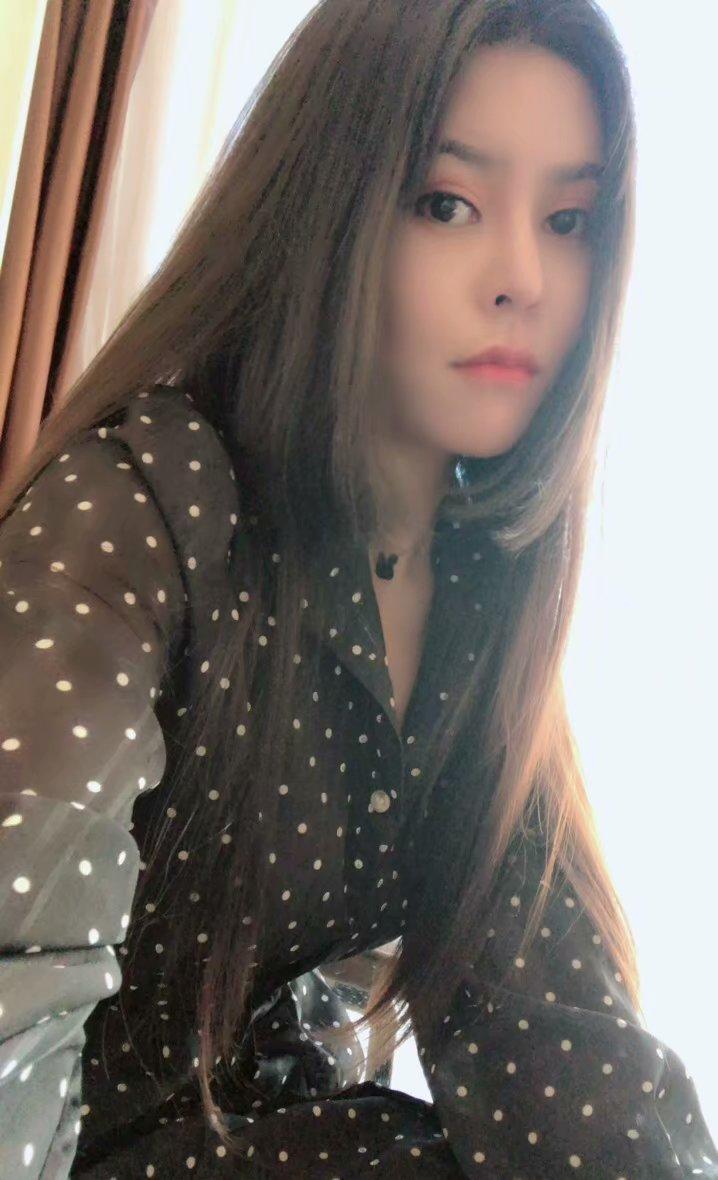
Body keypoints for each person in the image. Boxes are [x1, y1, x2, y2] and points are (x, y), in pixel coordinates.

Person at [1, 0, 716, 1176]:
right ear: (324, 209)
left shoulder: (486, 583)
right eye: (446, 204)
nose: (523, 277)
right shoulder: (145, 507)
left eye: (569, 219)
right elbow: (10, 998)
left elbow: (567, 1051)